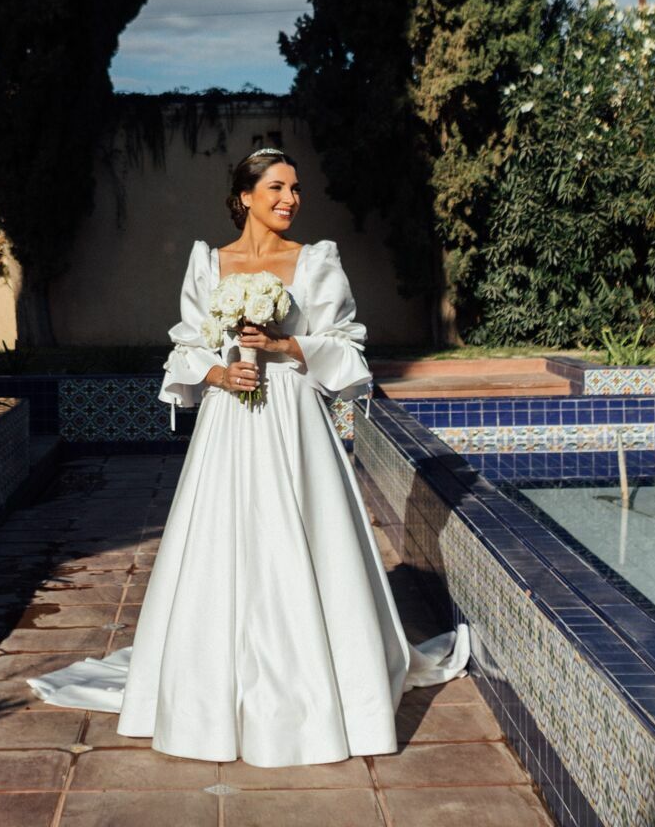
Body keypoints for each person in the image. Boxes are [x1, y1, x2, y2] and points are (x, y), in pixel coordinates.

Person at [26, 147, 472, 767]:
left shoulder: (316, 262)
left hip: (294, 421)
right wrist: (218, 374)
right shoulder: (209, 263)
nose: (290, 199)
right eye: (277, 188)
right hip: (229, 423)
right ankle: (211, 688)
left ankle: (313, 686)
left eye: (296, 188)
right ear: (245, 197)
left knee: (303, 537)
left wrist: (286, 345)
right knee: (222, 541)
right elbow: (185, 347)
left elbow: (348, 350)